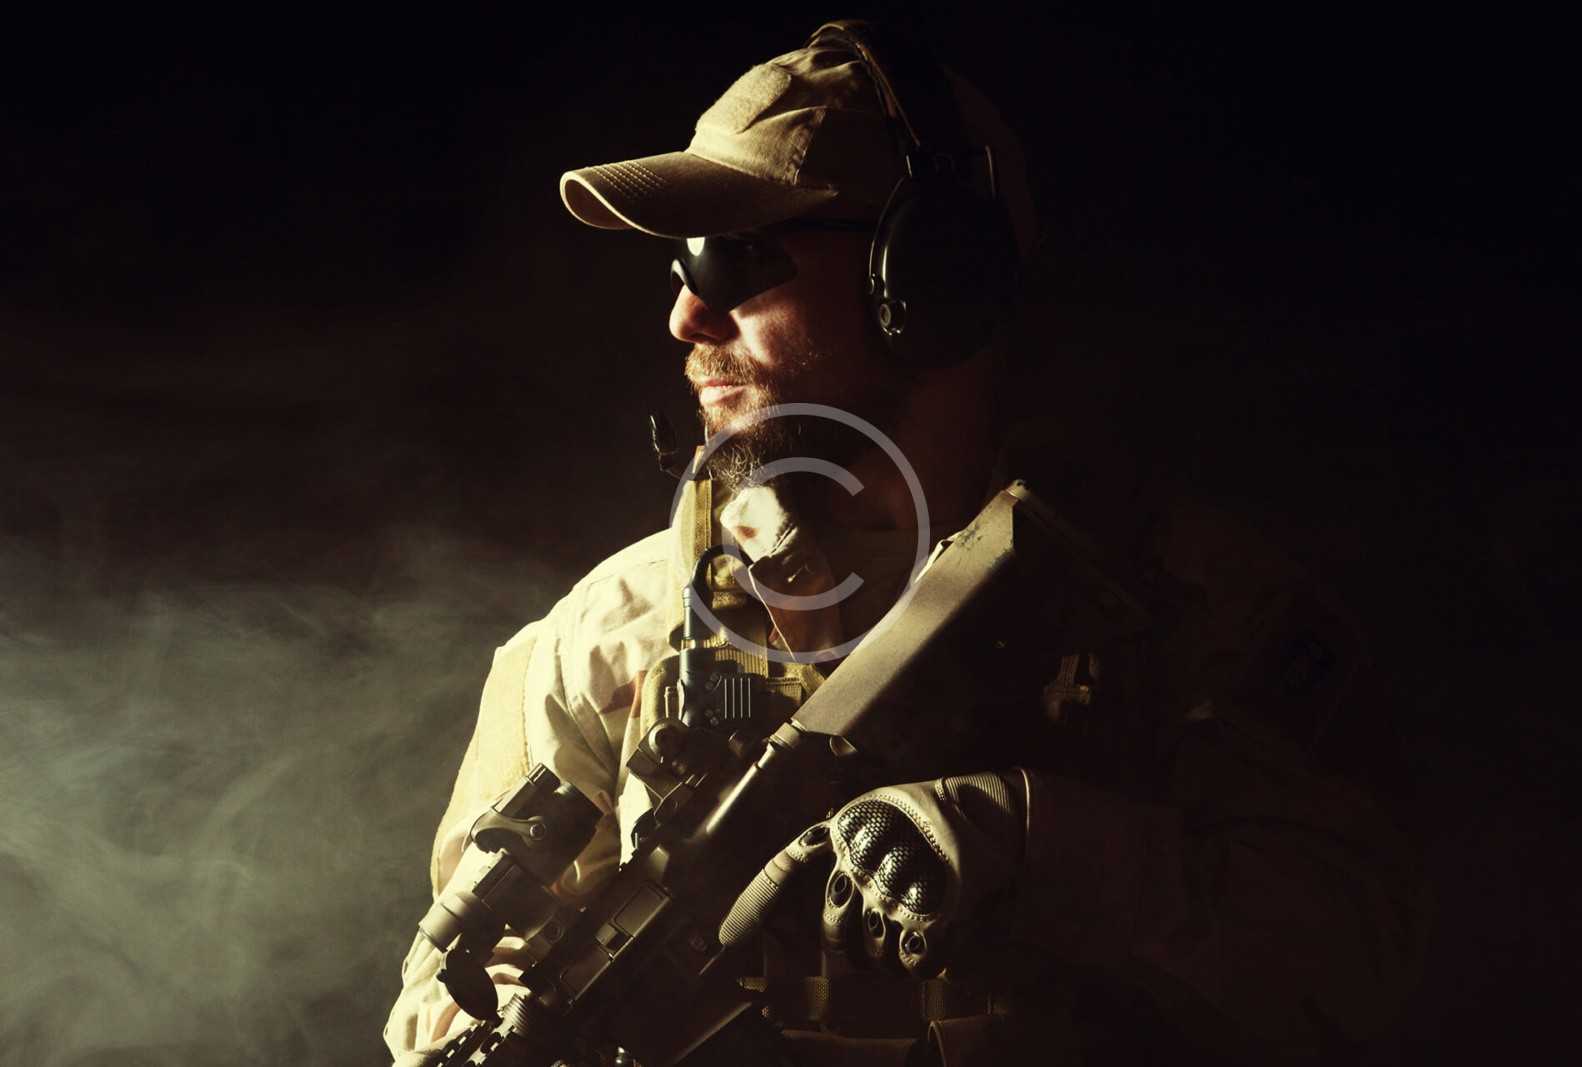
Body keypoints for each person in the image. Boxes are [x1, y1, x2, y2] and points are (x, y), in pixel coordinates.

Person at [384, 21, 1427, 1066]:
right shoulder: (615, 632)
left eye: (731, 258)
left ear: (929, 277)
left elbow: (1365, 968)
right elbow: (448, 998)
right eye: (678, 264)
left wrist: (1035, 838)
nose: (687, 316)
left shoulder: (1193, 603)